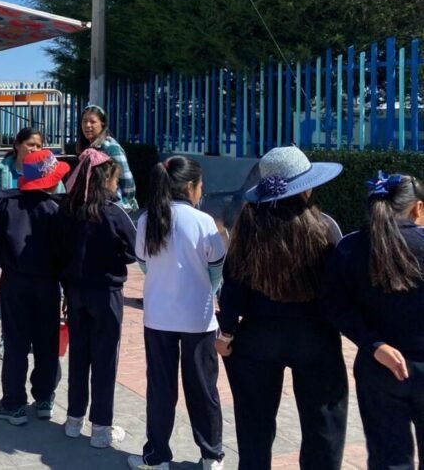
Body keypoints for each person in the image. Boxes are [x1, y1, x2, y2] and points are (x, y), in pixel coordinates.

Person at [216, 146, 347, 470]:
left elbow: (233, 283)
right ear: (306, 187)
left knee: (254, 426)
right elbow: (337, 288)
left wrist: (227, 330)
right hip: (316, 337)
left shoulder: (248, 226)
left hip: (258, 335)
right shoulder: (324, 227)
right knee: (324, 425)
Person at [127, 156, 226, 470]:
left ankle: (157, 456)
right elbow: (216, 269)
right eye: (201, 186)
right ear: (190, 187)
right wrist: (204, 288)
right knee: (203, 388)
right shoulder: (203, 222)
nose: (202, 192)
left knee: (160, 388)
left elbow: (143, 263)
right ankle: (211, 455)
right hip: (198, 318)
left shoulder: (147, 220)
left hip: (158, 317)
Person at [325, 173, 424, 469]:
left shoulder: (350, 247)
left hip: (378, 366)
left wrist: (374, 344)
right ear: (418, 208)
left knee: (388, 459)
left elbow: (335, 307)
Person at [57, 149, 137, 449]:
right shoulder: (114, 213)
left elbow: (60, 252)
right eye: (115, 178)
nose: (117, 184)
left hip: (75, 293)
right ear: (106, 180)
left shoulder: (67, 210)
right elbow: (136, 248)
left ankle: (74, 420)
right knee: (104, 361)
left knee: (79, 356)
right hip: (106, 295)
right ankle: (101, 428)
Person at [0, 149, 70, 426]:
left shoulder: (6, 203)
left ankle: (14, 403)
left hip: (15, 282)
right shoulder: (59, 208)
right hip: (48, 284)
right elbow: (66, 253)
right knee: (47, 342)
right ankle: (44, 398)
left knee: (16, 343)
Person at [75, 105, 137, 212]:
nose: (87, 125)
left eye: (92, 122)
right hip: (92, 207)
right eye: (84, 121)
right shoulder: (87, 148)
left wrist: (125, 204)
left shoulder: (110, 147)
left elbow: (127, 180)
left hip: (111, 207)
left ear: (102, 123)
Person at [0, 128, 45, 201]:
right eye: (31, 144)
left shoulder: (47, 172)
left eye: (38, 146)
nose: (35, 149)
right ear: (17, 145)